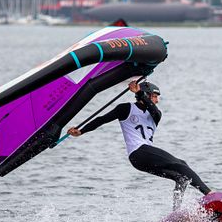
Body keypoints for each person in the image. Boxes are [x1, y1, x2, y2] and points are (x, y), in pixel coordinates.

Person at [68, 80, 212, 209]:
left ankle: (176, 212)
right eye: (154, 96)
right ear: (147, 95)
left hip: (145, 158)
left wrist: (140, 93)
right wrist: (81, 131)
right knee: (180, 165)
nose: (157, 100)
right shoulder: (125, 109)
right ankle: (209, 193)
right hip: (138, 152)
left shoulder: (156, 114)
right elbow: (102, 119)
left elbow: (153, 109)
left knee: (182, 176)